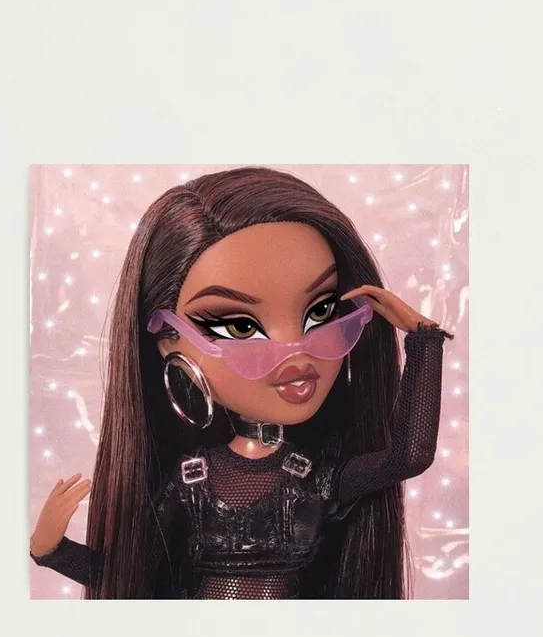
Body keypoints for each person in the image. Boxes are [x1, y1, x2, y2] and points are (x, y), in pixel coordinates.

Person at [30, 166, 452, 599]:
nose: (295, 352)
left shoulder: (315, 477)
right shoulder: (190, 480)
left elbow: (408, 457)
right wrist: (52, 551)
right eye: (239, 326)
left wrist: (424, 340)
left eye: (320, 313)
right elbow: (133, 575)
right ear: (168, 339)